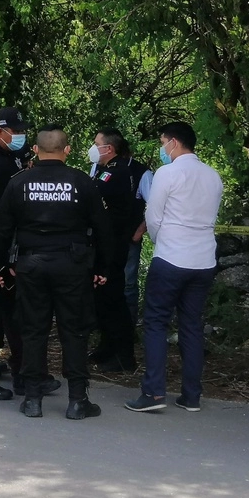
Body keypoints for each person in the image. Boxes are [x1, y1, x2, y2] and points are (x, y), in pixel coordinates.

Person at [0, 125, 111, 419]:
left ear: (35, 149)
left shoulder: (20, 182)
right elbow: (104, 230)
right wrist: (102, 268)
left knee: (33, 330)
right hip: (73, 265)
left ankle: (32, 398)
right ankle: (78, 399)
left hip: (31, 265)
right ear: (67, 150)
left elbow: (0, 227)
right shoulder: (82, 182)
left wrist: (0, 266)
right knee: (75, 330)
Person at [125, 121, 223, 413]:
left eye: (162, 142)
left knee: (156, 323)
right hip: (204, 259)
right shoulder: (213, 176)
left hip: (171, 258)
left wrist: (159, 241)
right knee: (192, 325)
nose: (161, 148)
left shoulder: (168, 173)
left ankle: (154, 394)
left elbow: (153, 216)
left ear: (174, 143)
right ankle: (191, 396)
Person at [0, 106, 59, 400]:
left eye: (22, 131)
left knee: (19, 316)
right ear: (0, 132)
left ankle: (26, 375)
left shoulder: (11, 155)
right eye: (15, 131)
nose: (20, 135)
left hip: (13, 248)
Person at [88, 127, 139, 372]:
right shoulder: (111, 169)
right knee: (103, 300)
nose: (93, 147)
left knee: (113, 300)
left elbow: (90, 195)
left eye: (96, 143)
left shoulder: (115, 172)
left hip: (112, 245)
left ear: (108, 149)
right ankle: (107, 347)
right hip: (109, 243)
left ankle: (123, 356)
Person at [122, 139, 153, 322]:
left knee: (128, 284)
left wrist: (138, 233)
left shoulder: (142, 173)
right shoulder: (97, 168)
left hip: (129, 240)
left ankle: (128, 328)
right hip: (103, 239)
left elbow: (156, 208)